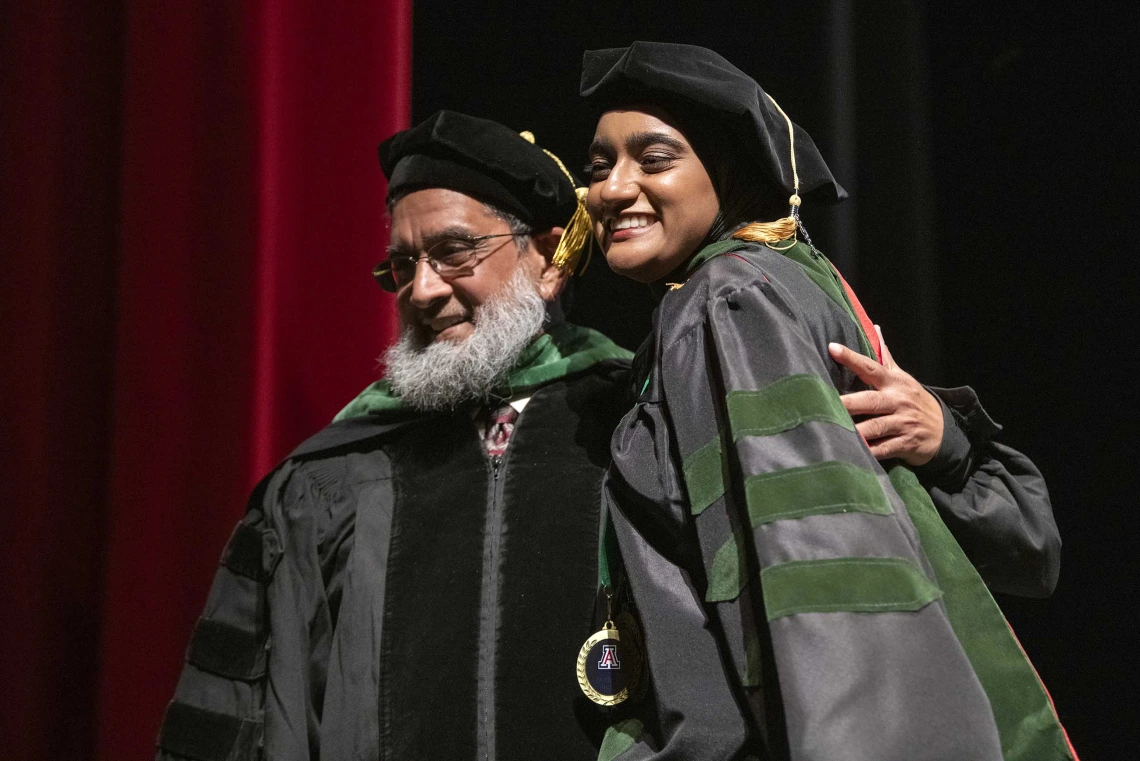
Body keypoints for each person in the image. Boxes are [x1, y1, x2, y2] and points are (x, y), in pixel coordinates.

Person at [154, 111, 1053, 761]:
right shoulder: (324, 485)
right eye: (402, 266)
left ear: (548, 256)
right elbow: (237, 721)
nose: (423, 291)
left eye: (456, 252)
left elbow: (920, 569)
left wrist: (949, 445)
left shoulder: (652, 414)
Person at [579, 42, 1075, 761]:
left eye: (654, 160)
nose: (613, 189)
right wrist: (954, 448)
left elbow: (811, 560)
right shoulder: (792, 281)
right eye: (599, 166)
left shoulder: (731, 301)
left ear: (730, 173)